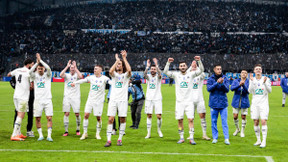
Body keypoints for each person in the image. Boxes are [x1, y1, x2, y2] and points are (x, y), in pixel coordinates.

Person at [164, 56, 204, 145]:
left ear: (187, 67)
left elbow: (201, 70)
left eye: (184, 65)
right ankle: (181, 137)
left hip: (189, 102)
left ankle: (192, 138)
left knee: (190, 119)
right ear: (179, 67)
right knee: (180, 120)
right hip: (179, 102)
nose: (182, 67)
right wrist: (168, 62)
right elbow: (165, 72)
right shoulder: (176, 75)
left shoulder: (191, 74)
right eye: (181, 66)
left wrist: (199, 61)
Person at [71, 65, 110, 140]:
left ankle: (97, 134)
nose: (94, 70)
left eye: (96, 69)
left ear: (100, 70)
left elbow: (110, 82)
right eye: (94, 69)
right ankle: (85, 133)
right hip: (90, 100)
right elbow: (83, 80)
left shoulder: (105, 78)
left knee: (98, 118)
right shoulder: (91, 77)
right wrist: (75, 83)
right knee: (86, 115)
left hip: (99, 101)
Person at [104, 50, 132, 147]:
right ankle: (109, 140)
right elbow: (110, 71)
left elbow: (129, 71)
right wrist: (116, 61)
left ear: (122, 66)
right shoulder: (114, 76)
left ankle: (119, 139)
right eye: (117, 64)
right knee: (111, 118)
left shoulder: (125, 76)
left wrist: (124, 58)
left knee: (122, 119)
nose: (118, 65)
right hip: (113, 99)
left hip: (123, 100)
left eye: (120, 64)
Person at [8, 58, 34, 141]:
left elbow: (9, 74)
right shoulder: (29, 72)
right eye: (32, 64)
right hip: (23, 97)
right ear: (29, 64)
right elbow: (32, 86)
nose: (33, 66)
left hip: (16, 96)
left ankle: (19, 133)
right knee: (21, 115)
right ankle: (14, 135)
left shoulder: (18, 70)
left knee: (18, 113)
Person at [30, 53, 54, 142]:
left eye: (42, 68)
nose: (40, 70)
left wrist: (41, 61)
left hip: (48, 99)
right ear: (37, 69)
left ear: (43, 69)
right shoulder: (34, 76)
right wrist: (37, 63)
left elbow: (48, 68)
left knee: (49, 118)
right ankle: (40, 135)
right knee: (38, 118)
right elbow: (29, 72)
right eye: (39, 69)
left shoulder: (47, 75)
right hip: (38, 100)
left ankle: (49, 135)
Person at [248, 64, 271, 148]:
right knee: (255, 121)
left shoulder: (266, 79)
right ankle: (258, 140)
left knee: (263, 121)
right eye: (256, 69)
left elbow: (269, 91)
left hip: (264, 104)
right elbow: (250, 91)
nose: (258, 70)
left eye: (259, 69)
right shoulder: (252, 79)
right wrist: (251, 82)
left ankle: (264, 141)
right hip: (255, 104)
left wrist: (264, 83)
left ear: (261, 70)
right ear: (254, 71)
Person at [207, 64, 230, 145]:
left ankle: (226, 138)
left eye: (220, 69)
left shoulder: (225, 78)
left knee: (224, 122)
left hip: (223, 104)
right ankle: (215, 138)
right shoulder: (210, 78)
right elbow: (209, 89)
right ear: (214, 70)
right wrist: (217, 83)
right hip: (213, 104)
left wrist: (222, 83)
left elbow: (227, 90)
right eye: (218, 69)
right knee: (213, 122)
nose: (219, 70)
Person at [188, 61, 211, 140]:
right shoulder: (188, 75)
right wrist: (191, 66)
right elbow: (186, 72)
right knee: (190, 118)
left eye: (195, 66)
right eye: (192, 66)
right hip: (190, 100)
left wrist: (198, 64)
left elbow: (202, 71)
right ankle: (191, 134)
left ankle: (204, 134)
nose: (194, 67)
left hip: (199, 99)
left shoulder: (201, 75)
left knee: (202, 116)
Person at [60, 60, 83, 136]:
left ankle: (78, 129)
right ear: (69, 68)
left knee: (77, 114)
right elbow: (60, 75)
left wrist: (76, 67)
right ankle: (66, 131)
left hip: (76, 97)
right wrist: (67, 66)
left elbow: (81, 77)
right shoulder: (67, 75)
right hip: (67, 97)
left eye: (73, 67)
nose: (72, 69)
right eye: (71, 67)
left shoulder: (77, 75)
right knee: (66, 113)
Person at [143, 58, 163, 139]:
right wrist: (147, 67)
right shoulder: (148, 77)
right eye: (152, 69)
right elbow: (144, 75)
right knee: (149, 115)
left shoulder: (158, 77)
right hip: (149, 99)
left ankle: (159, 130)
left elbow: (160, 74)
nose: (153, 70)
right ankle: (148, 133)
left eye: (154, 69)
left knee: (159, 116)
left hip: (157, 98)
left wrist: (157, 65)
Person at [230, 70, 250, 138]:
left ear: (247, 75)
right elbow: (232, 88)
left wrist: (243, 85)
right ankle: (237, 129)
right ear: (240, 74)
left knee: (243, 117)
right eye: (242, 73)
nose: (244, 74)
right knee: (235, 116)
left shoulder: (248, 81)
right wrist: (239, 85)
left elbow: (248, 91)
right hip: (236, 100)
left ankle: (242, 131)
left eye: (245, 73)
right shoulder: (236, 81)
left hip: (244, 100)